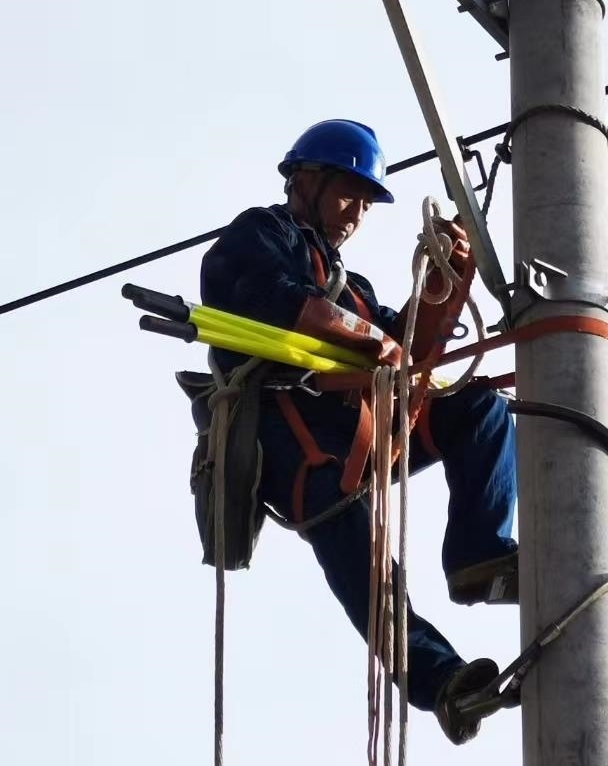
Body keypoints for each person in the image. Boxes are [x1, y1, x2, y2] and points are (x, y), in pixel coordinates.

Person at [199, 118, 518, 744]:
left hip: (364, 431)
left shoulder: (354, 288)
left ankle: (478, 554)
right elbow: (279, 302)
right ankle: (442, 682)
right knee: (359, 552)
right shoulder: (261, 234)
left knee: (478, 407)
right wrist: (375, 342)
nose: (357, 213)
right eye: (350, 193)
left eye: (367, 203)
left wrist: (443, 286)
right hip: (291, 436)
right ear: (306, 180)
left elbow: (408, 348)